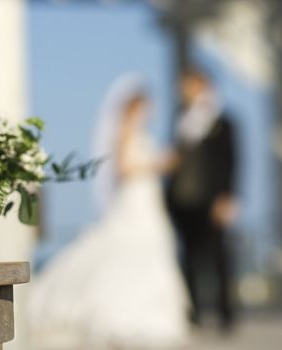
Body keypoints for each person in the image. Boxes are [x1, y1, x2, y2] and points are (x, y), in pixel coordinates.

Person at [30, 75, 190, 350]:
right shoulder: (125, 131)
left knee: (147, 254)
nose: (148, 112)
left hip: (147, 202)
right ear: (133, 107)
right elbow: (124, 170)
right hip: (134, 200)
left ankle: (152, 315)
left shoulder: (141, 134)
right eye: (144, 107)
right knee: (127, 252)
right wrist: (158, 164)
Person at [165, 66, 237, 331]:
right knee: (189, 256)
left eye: (188, 85)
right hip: (183, 200)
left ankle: (226, 313)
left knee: (219, 256)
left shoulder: (223, 122)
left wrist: (227, 197)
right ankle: (194, 312)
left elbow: (232, 162)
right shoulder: (180, 120)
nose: (183, 90)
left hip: (212, 200)